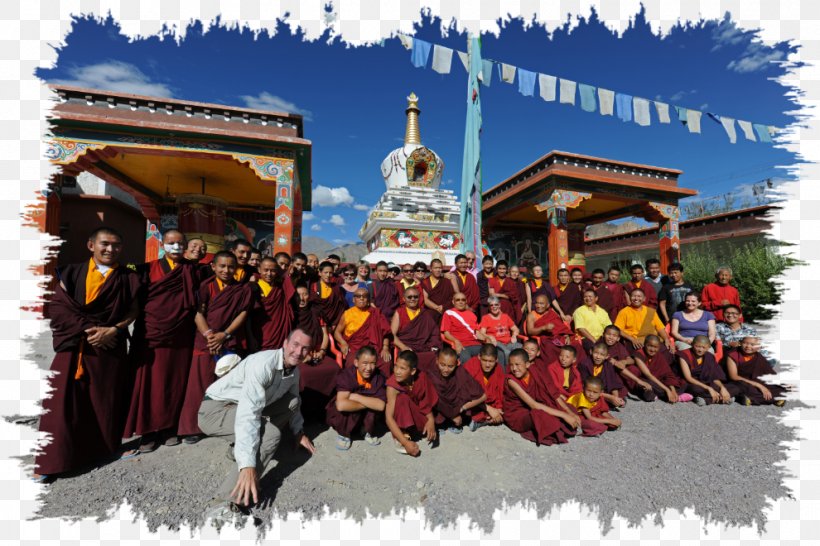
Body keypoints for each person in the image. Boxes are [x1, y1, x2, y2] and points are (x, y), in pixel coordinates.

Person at [34, 227, 141, 481]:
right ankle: (52, 461)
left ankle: (104, 450)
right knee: (60, 403)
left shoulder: (129, 278)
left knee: (105, 402)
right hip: (75, 346)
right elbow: (58, 307)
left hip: (109, 347)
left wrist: (113, 329)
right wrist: (89, 328)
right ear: (91, 245)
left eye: (116, 245)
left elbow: (134, 310)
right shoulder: (71, 272)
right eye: (105, 244)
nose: (110, 249)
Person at [198, 329, 316, 523]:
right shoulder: (263, 365)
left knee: (292, 401)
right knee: (270, 435)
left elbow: (295, 402)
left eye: (305, 348)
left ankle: (240, 450)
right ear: (285, 344)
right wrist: (248, 464)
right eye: (295, 344)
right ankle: (222, 505)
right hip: (216, 409)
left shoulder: (293, 372)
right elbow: (248, 415)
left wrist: (298, 431)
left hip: (241, 408)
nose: (298, 351)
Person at [123, 229, 198, 453]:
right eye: (171, 243)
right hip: (152, 334)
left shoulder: (193, 269)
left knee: (175, 383)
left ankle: (169, 427)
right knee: (149, 384)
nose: (176, 247)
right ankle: (147, 430)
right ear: (163, 245)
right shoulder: (146, 269)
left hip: (181, 336)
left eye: (179, 243)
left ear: (184, 246)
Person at [178, 251, 253, 443]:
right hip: (206, 341)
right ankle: (192, 427)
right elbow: (197, 312)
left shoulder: (243, 289)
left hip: (230, 340)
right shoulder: (206, 286)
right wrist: (210, 335)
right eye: (222, 266)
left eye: (230, 267)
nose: (226, 270)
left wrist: (225, 334)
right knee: (199, 384)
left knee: (229, 385)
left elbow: (242, 314)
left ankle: (225, 425)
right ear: (213, 266)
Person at [502, 349, 580, 446]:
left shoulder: (535, 371)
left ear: (527, 364)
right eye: (511, 365)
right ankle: (556, 428)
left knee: (565, 406)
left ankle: (555, 426)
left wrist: (569, 412)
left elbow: (551, 394)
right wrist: (564, 415)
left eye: (517, 364)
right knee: (539, 415)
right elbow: (533, 405)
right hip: (518, 414)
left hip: (534, 406)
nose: (514, 368)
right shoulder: (511, 381)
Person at [325, 346, 387, 450]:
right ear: (356, 363)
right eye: (365, 363)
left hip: (362, 412)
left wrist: (357, 397)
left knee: (372, 409)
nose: (368, 368)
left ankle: (365, 430)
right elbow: (341, 405)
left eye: (373, 363)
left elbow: (381, 406)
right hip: (346, 416)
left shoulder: (378, 377)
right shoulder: (346, 376)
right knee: (349, 406)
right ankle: (344, 434)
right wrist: (369, 402)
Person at [292, 284, 339, 409]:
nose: (302, 298)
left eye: (305, 294)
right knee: (303, 374)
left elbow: (325, 334)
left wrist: (322, 351)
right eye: (298, 295)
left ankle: (327, 408)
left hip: (318, 352)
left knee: (334, 368)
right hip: (299, 356)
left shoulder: (316, 311)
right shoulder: (291, 314)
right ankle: (305, 410)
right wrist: (303, 355)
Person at [385, 351, 438, 456]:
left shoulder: (421, 376)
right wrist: (405, 443)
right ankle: (402, 437)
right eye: (396, 366)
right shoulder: (392, 386)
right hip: (402, 423)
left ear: (413, 371)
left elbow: (426, 401)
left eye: (402, 368)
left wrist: (431, 420)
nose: (397, 372)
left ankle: (414, 433)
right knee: (402, 399)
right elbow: (389, 418)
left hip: (418, 420)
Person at [334, 288, 392, 376]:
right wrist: (343, 343)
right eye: (358, 296)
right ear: (353, 299)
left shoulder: (376, 313)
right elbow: (337, 332)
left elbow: (386, 333)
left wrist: (385, 348)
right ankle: (354, 386)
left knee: (386, 363)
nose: (361, 298)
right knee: (351, 363)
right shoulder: (348, 314)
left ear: (368, 299)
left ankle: (381, 386)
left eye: (364, 296)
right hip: (356, 349)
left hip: (374, 349)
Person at [428, 347, 487, 433]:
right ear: (437, 361)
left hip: (458, 409)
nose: (446, 370)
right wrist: (452, 415)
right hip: (440, 411)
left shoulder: (460, 372)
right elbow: (435, 400)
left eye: (450, 366)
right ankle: (443, 423)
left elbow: (483, 396)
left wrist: (463, 408)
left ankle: (454, 422)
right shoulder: (432, 375)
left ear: (457, 363)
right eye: (442, 365)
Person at [248, 257, 295, 351]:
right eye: (266, 270)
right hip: (259, 333)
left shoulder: (280, 288)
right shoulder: (253, 286)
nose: (269, 274)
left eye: (273, 271)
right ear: (259, 269)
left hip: (279, 334)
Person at [391, 286, 442, 373]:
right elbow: (392, 335)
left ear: (419, 298)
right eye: (409, 297)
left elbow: (434, 333)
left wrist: (434, 345)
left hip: (424, 347)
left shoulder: (425, 314)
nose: (413, 299)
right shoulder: (400, 312)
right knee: (409, 359)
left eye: (415, 297)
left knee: (436, 357)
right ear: (404, 299)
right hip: (407, 347)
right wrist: (404, 347)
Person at [724, 337, 787, 407]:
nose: (748, 346)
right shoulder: (733, 354)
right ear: (740, 343)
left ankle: (748, 398)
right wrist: (759, 386)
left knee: (780, 388)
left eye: (752, 344)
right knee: (744, 387)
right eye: (745, 343)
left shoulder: (758, 356)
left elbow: (769, 373)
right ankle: (772, 399)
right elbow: (734, 376)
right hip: (740, 381)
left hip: (755, 380)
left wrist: (782, 383)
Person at [627, 335, 690, 403]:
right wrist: (667, 390)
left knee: (681, 382)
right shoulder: (638, 354)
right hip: (646, 379)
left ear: (659, 347)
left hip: (658, 381)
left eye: (655, 347)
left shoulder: (658, 355)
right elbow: (648, 375)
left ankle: (672, 395)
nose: (652, 349)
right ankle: (675, 396)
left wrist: (673, 390)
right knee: (647, 388)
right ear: (645, 345)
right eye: (650, 346)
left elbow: (667, 373)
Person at [676, 335, 734, 406]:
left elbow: (714, 376)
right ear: (692, 344)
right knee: (695, 389)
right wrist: (709, 388)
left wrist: (722, 388)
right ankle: (721, 397)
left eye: (704, 347)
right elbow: (688, 378)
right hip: (689, 382)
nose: (700, 350)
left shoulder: (709, 356)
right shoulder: (684, 354)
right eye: (697, 346)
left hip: (705, 382)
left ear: (709, 347)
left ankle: (707, 398)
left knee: (733, 387)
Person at [462, 344, 506, 430]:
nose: (487, 365)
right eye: (484, 360)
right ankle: (485, 419)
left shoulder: (499, 369)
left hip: (491, 403)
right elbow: (466, 393)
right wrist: (489, 409)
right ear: (479, 357)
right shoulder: (471, 366)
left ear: (496, 360)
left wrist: (497, 409)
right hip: (473, 403)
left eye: (491, 361)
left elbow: (500, 392)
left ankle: (485, 420)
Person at [526, 294, 577, 364]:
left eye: (541, 303)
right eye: (536, 303)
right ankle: (553, 367)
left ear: (547, 305)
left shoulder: (552, 313)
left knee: (575, 344)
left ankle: (575, 366)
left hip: (558, 337)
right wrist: (543, 328)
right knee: (550, 347)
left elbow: (561, 327)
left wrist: (566, 335)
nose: (538, 306)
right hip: (545, 339)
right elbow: (530, 331)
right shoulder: (532, 315)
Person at [441, 292, 490, 364]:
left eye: (463, 300)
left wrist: (487, 339)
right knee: (467, 359)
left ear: (466, 302)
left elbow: (476, 332)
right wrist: (456, 341)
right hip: (462, 345)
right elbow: (446, 333)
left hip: (476, 344)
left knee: (494, 353)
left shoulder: (471, 314)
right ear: (453, 302)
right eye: (458, 300)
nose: (461, 302)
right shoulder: (449, 313)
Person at [577, 342, 626, 406]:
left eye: (602, 355)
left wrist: (616, 397)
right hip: (590, 391)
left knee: (621, 393)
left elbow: (612, 381)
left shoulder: (607, 364)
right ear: (591, 352)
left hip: (603, 390)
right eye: (596, 353)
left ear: (607, 356)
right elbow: (585, 384)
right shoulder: (584, 364)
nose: (598, 357)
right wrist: (611, 397)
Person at [479, 295, 521, 368]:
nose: (494, 307)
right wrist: (490, 337)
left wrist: (514, 335)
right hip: (496, 343)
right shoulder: (486, 318)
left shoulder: (505, 316)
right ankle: (507, 372)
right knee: (506, 352)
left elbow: (516, 329)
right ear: (489, 307)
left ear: (499, 305)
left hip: (509, 342)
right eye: (491, 305)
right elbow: (482, 333)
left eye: (496, 304)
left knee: (521, 347)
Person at [311, 261, 347, 329]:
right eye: (325, 272)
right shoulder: (314, 286)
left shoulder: (336, 288)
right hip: (318, 323)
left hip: (333, 323)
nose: (328, 275)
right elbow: (313, 306)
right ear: (320, 273)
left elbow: (340, 307)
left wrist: (335, 323)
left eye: (330, 273)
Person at [488, 260, 523, 326]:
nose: (502, 271)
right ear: (496, 269)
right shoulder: (491, 280)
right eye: (500, 268)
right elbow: (492, 295)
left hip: (508, 309)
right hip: (495, 308)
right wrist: (505, 295)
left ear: (507, 270)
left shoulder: (510, 281)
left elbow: (513, 296)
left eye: (504, 269)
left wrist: (498, 294)